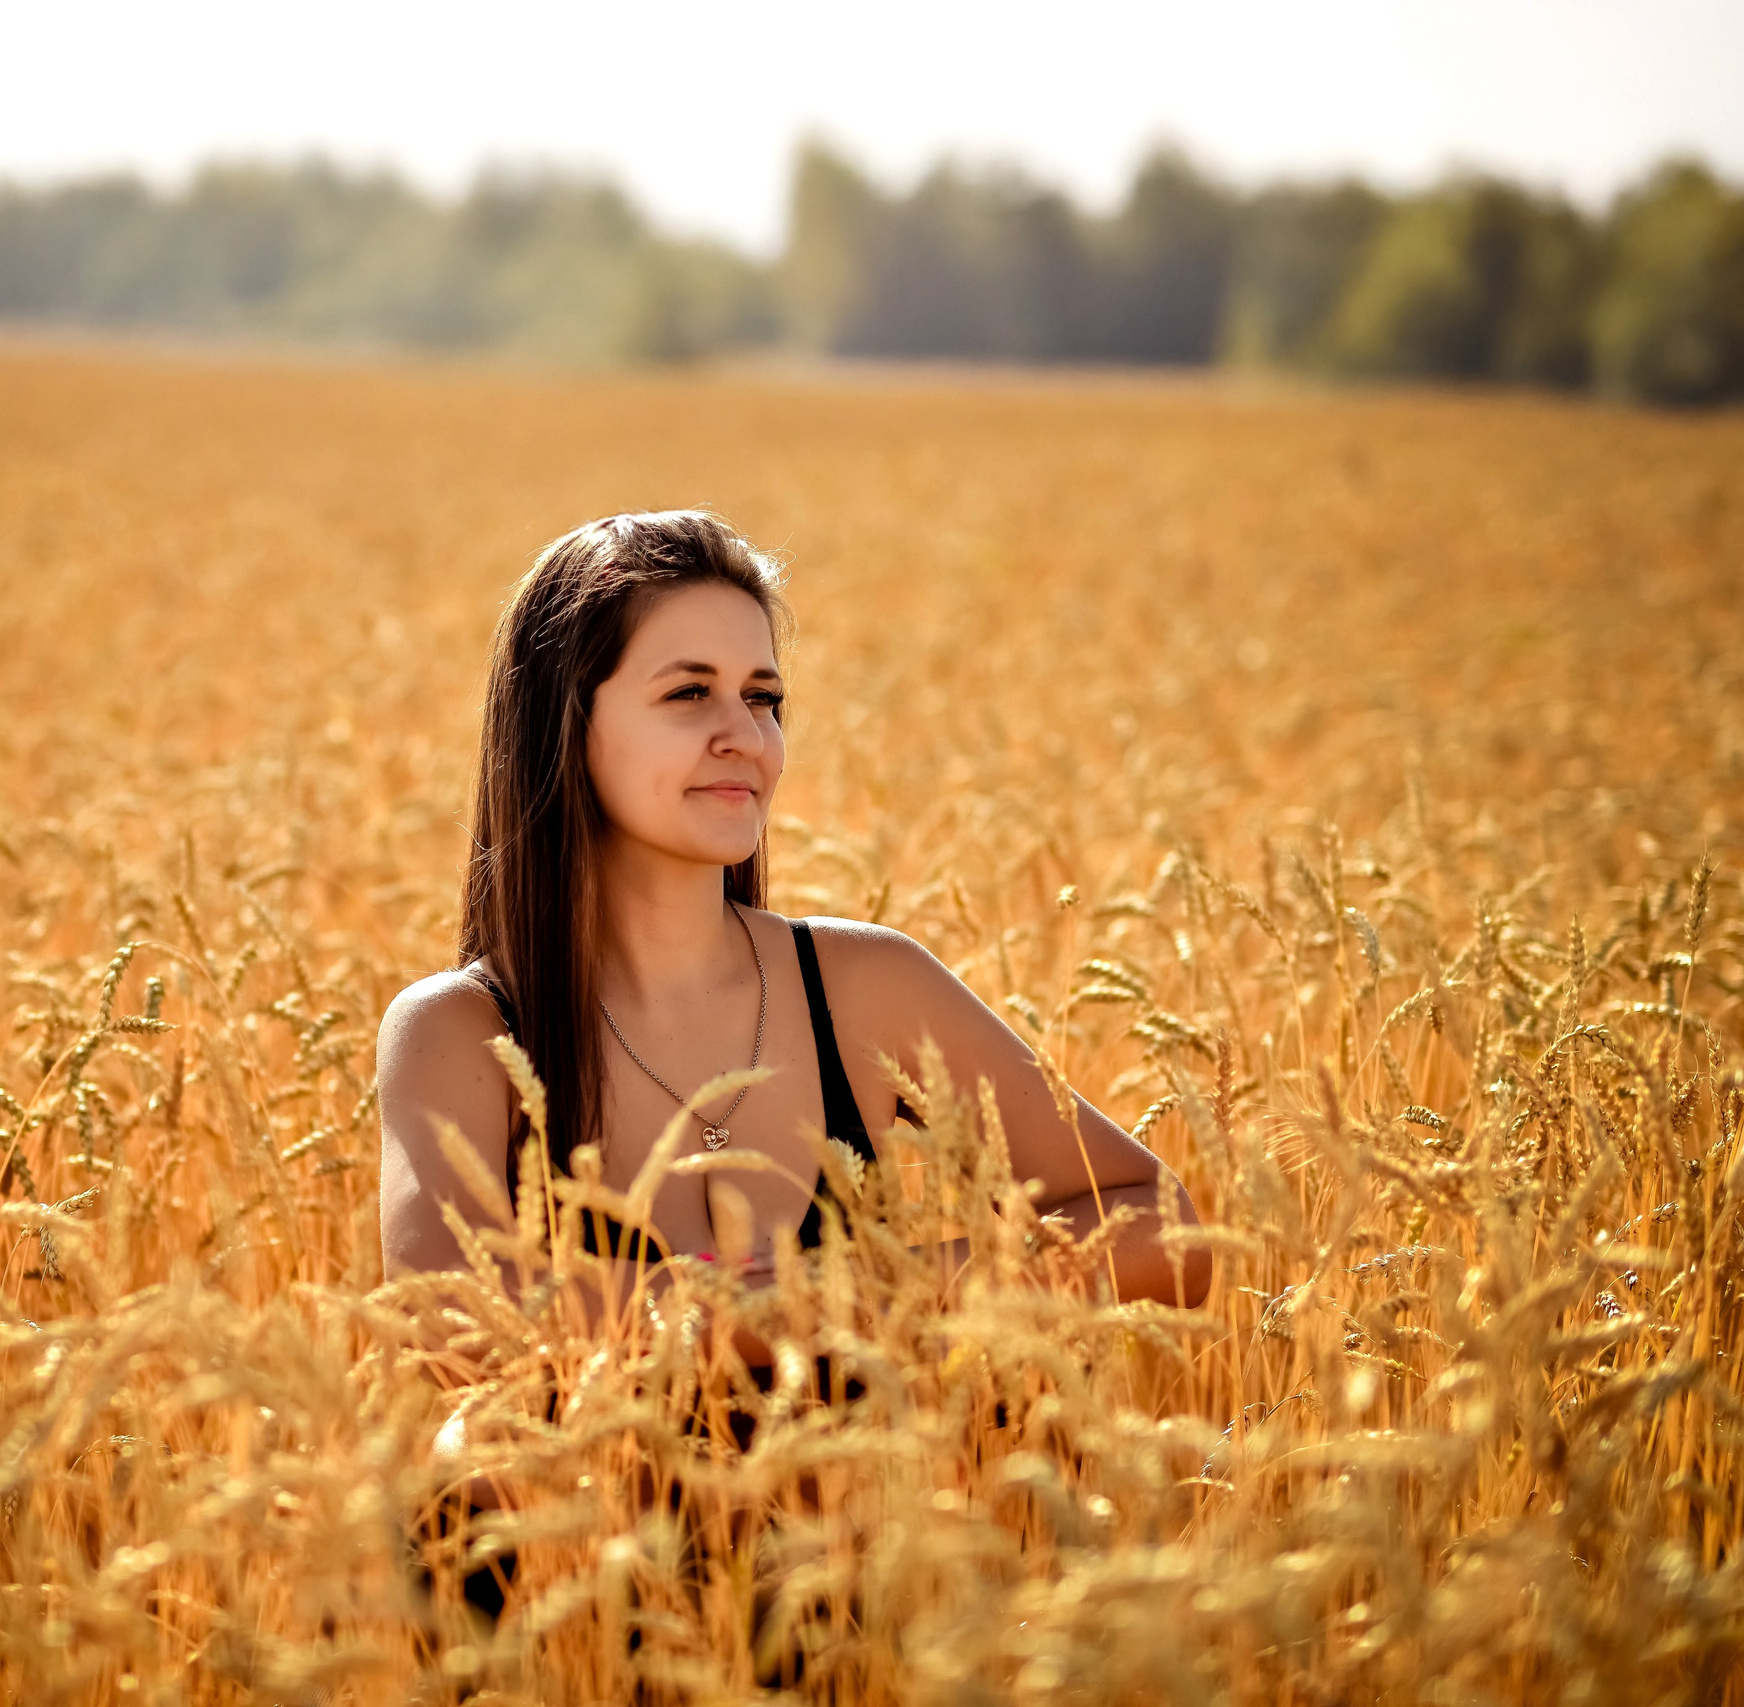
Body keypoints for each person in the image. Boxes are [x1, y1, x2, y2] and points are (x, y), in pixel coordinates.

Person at [375, 510, 1210, 1630]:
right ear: (564, 724)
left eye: (763, 698)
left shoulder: (864, 989)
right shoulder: (460, 1032)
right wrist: (779, 1313)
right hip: (567, 1630)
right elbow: (454, 1328)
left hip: (867, 1617)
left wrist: (863, 1291)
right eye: (689, 695)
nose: (745, 736)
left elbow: (1167, 1226)